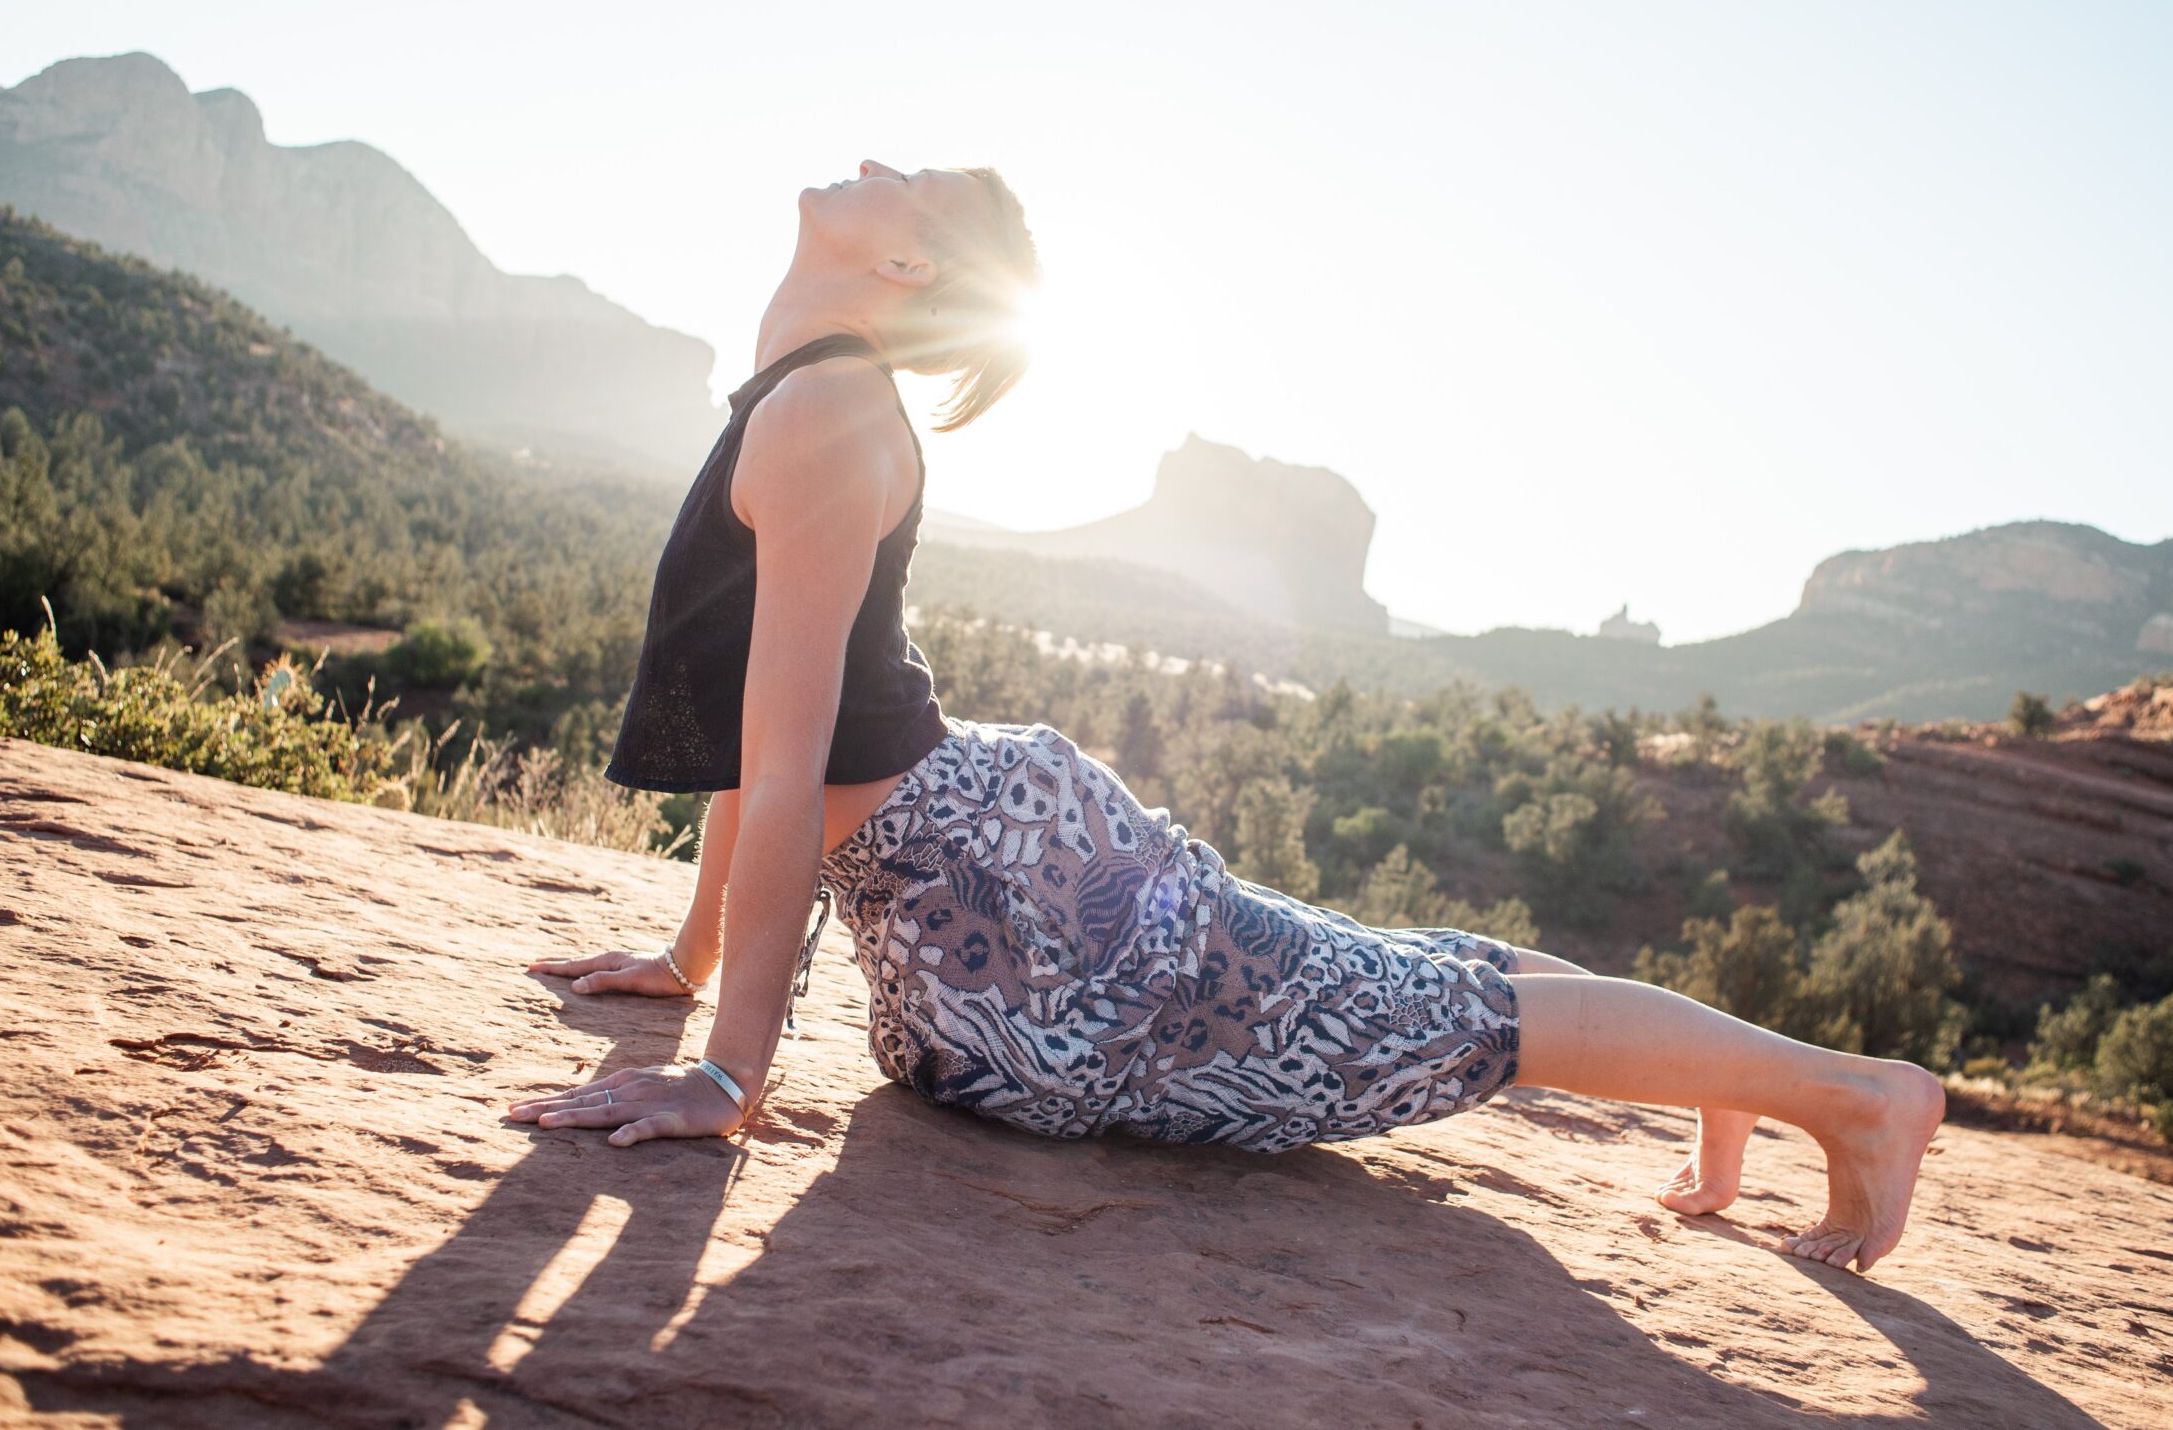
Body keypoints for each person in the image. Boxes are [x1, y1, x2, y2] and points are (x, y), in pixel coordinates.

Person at [505, 159, 1945, 1274]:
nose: (873, 156)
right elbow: (756, 733)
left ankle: (1852, 1097)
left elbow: (787, 760)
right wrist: (689, 961)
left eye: (913, 177)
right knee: (1403, 983)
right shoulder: (808, 396)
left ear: (903, 259)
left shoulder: (822, 417)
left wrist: (728, 1070)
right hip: (993, 890)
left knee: (1415, 1006)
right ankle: (1734, 1072)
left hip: (1029, 920)